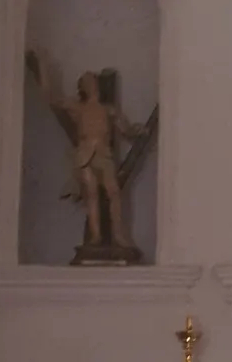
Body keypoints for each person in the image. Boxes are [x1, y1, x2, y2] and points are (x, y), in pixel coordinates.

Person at [29, 50, 145, 249]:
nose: (91, 84)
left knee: (114, 192)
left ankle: (119, 235)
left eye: (93, 81)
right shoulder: (78, 107)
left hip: (103, 154)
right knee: (91, 195)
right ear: (82, 88)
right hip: (85, 155)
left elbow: (126, 129)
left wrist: (138, 130)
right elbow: (50, 97)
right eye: (87, 81)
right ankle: (95, 236)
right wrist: (42, 67)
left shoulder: (108, 109)